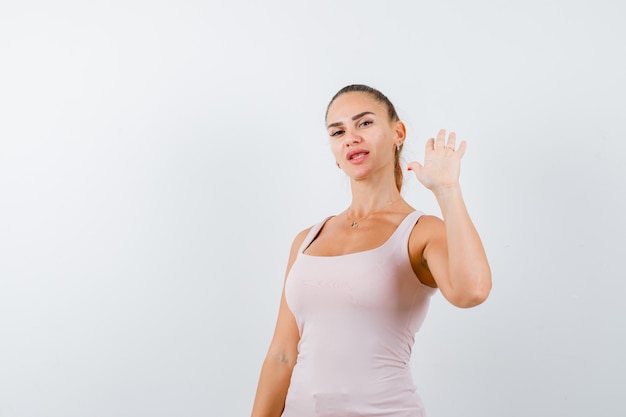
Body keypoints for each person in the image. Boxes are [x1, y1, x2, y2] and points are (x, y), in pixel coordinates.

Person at [250, 84, 492, 417]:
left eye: (364, 123)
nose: (351, 137)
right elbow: (281, 355)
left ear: (398, 132)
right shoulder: (307, 240)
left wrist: (447, 191)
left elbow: (472, 292)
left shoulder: (420, 232)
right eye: (338, 131)